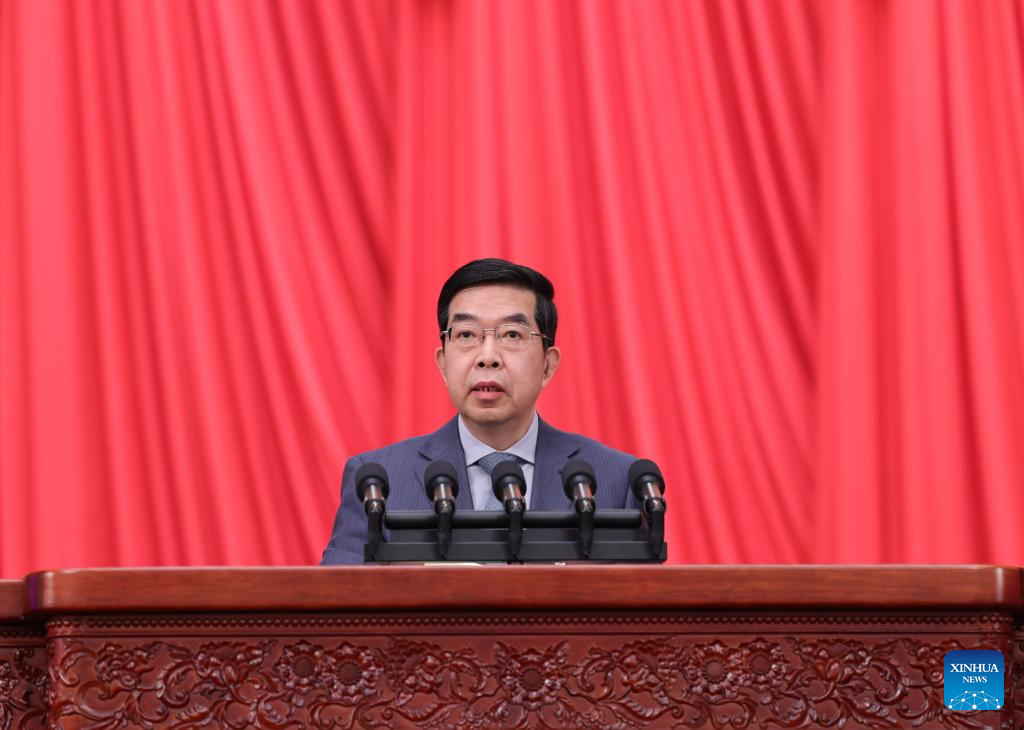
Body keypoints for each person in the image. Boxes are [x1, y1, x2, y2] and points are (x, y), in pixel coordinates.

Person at [320, 258, 639, 564]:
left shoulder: (615, 480)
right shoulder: (379, 481)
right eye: (466, 335)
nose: (488, 357)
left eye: (512, 334)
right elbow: (338, 595)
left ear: (548, 365)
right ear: (443, 364)